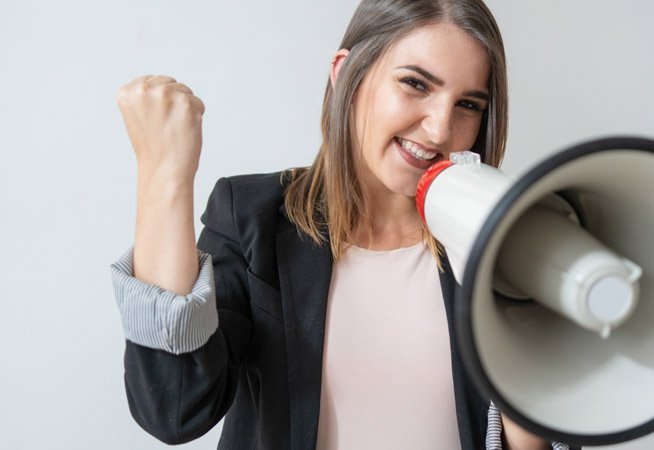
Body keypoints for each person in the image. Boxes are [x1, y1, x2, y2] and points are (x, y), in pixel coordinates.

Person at [112, 1, 571, 449]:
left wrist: (514, 331)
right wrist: (164, 174)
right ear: (345, 74)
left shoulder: (497, 241)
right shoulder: (252, 218)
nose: (438, 129)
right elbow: (174, 409)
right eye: (415, 84)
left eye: (468, 104)